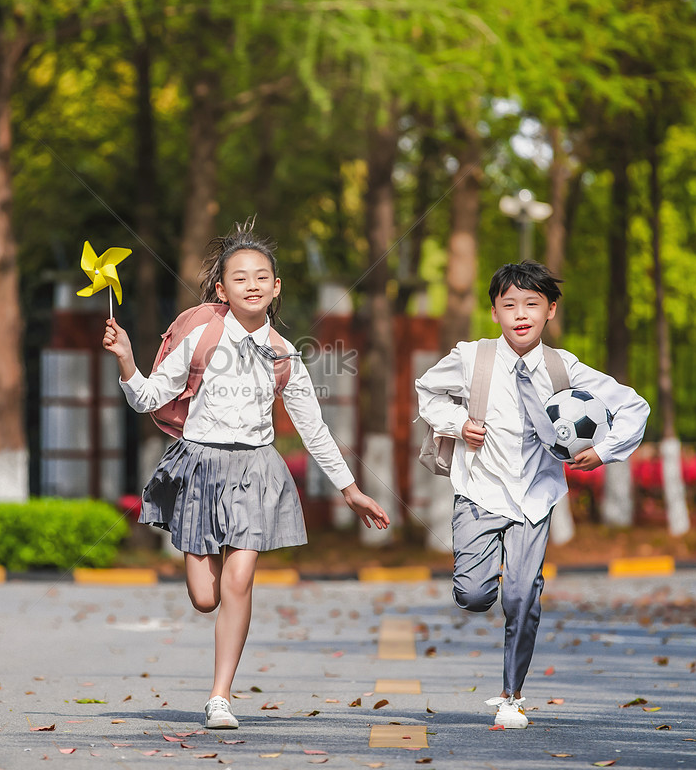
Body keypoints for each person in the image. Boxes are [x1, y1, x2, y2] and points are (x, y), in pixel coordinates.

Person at [103, 223, 390, 731]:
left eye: (262, 276)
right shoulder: (200, 336)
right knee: (204, 598)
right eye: (240, 278)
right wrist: (126, 359)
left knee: (239, 579)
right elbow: (148, 398)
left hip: (255, 470)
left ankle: (220, 697)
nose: (252, 284)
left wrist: (352, 490)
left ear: (276, 287)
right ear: (222, 289)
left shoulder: (285, 355)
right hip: (198, 468)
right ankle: (213, 638)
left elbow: (314, 429)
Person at [415, 260, 649, 729]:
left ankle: (511, 694)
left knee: (522, 598)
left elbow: (633, 406)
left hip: (534, 497)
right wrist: (458, 425)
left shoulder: (565, 368)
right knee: (474, 594)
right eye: (509, 305)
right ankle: (482, 581)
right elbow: (426, 392)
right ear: (495, 312)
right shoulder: (472, 357)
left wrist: (602, 451)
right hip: (479, 491)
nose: (520, 314)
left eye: (531, 304)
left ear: (550, 311)